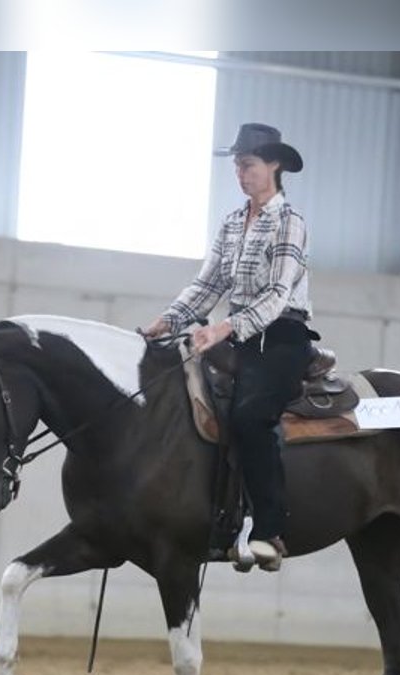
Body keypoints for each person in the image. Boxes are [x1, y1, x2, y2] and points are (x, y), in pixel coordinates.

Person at [144, 122, 313, 572]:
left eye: (249, 164)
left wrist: (223, 329)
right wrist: (168, 320)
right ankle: (217, 519)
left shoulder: (290, 222)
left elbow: (278, 294)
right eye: (237, 165)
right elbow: (209, 282)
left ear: (274, 165)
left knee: (250, 416)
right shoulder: (233, 221)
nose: (241, 173)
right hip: (238, 336)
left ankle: (269, 530)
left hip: (280, 337)